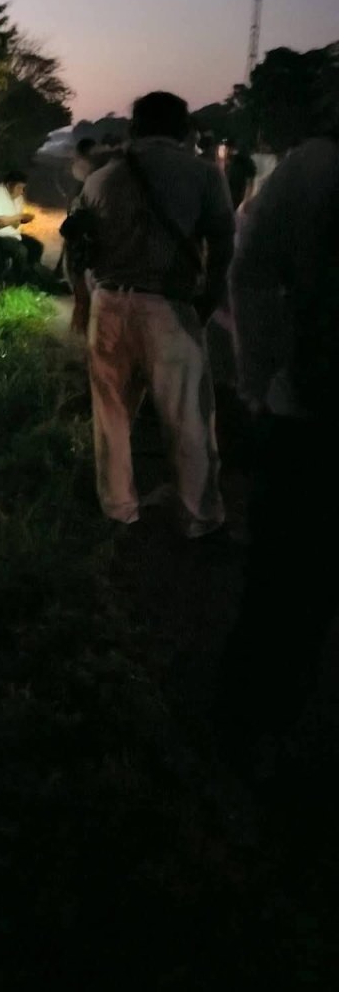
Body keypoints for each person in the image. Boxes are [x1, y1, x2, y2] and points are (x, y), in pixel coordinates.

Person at [218, 131, 339, 774]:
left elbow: (250, 270)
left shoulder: (313, 167)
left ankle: (252, 731)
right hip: (310, 415)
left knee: (286, 590)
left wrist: (262, 381)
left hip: (311, 420)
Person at [68, 91, 236, 538]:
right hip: (170, 307)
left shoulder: (101, 179)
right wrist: (207, 299)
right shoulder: (202, 175)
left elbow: (76, 248)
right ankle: (196, 515)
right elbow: (223, 243)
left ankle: (119, 508)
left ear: (134, 129)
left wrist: (82, 302)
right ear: (184, 130)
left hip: (108, 304)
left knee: (112, 414)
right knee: (187, 418)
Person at [0, 169, 44, 281]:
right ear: (9, 185)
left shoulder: (18, 198)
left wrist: (23, 219)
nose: (21, 191)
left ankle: (30, 275)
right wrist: (19, 217)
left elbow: (14, 222)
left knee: (36, 246)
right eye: (19, 188)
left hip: (11, 235)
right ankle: (17, 282)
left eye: (23, 188)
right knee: (20, 251)